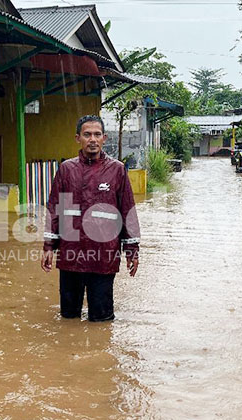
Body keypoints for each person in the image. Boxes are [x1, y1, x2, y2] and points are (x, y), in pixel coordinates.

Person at [40, 115, 141, 322]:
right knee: (68, 318)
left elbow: (127, 211)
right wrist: (48, 247)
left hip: (104, 256)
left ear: (104, 138)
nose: (92, 139)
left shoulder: (117, 170)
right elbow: (55, 209)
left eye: (97, 134)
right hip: (71, 256)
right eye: (87, 134)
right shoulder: (67, 170)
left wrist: (132, 250)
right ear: (78, 138)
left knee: (102, 320)